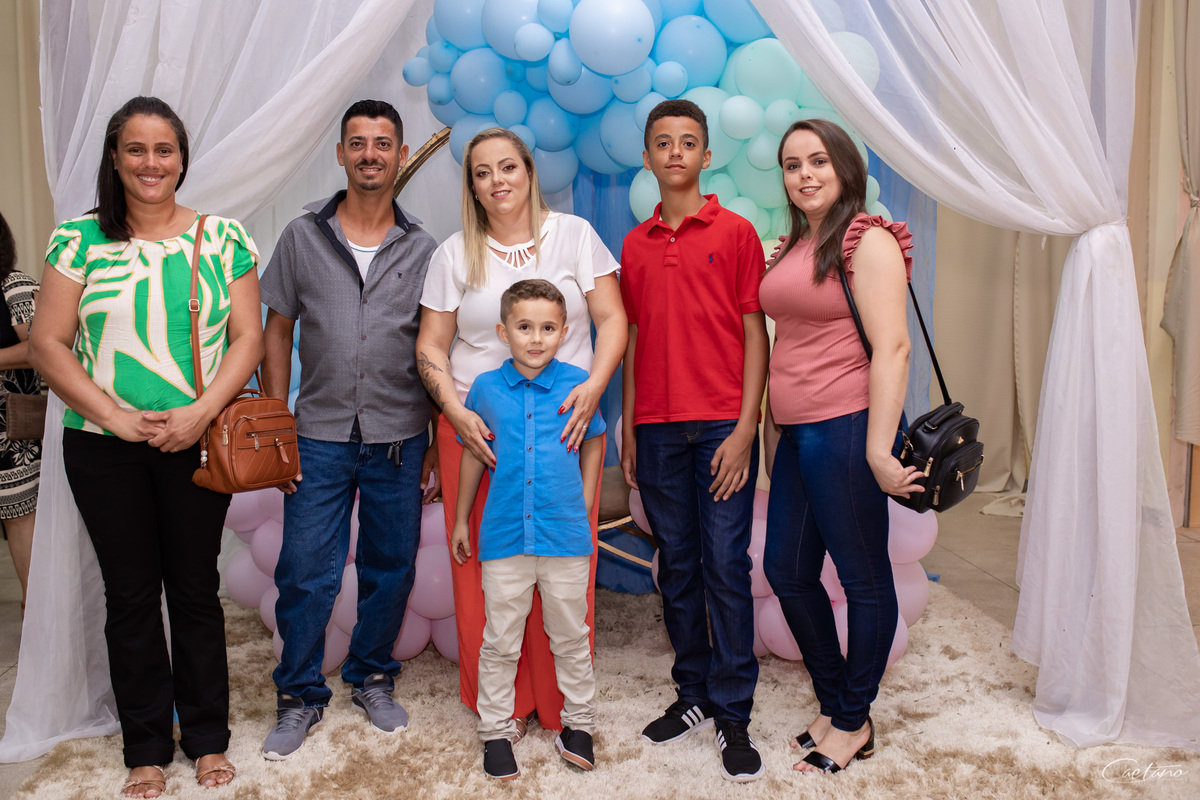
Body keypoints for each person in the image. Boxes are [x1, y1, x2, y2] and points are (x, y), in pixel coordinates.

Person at [29, 96, 261, 797]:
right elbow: (48, 344)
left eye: (164, 150)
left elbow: (248, 339)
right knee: (129, 596)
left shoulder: (223, 238)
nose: (151, 163)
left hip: (198, 439)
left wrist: (200, 413)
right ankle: (147, 747)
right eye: (136, 149)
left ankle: (208, 737)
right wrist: (116, 417)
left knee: (194, 590)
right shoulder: (77, 240)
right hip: (102, 446)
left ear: (182, 159)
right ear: (114, 157)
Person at [416, 127, 626, 737]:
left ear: (530, 172)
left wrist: (594, 387)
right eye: (482, 172)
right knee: (485, 576)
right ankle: (500, 710)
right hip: (478, 433)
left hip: (565, 429)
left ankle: (563, 709)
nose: (497, 180)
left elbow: (614, 319)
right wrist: (454, 412)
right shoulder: (454, 254)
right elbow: (431, 345)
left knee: (563, 572)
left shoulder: (576, 236)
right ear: (471, 186)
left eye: (507, 167)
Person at [258, 99, 439, 760]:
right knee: (306, 570)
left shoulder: (424, 247)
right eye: (357, 143)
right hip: (317, 434)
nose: (369, 154)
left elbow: (435, 346)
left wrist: (435, 441)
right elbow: (276, 326)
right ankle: (299, 695)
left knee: (392, 568)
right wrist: (276, 419)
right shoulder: (302, 237)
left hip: (400, 437)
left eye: (382, 143)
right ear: (340, 154)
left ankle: (372, 676)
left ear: (400, 154)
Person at [760, 118, 921, 775]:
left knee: (863, 579)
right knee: (787, 571)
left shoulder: (867, 238)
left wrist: (880, 450)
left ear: (845, 167)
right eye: (792, 164)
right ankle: (835, 702)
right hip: (798, 432)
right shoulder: (798, 243)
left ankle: (853, 722)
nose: (805, 174)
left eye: (819, 160)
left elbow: (894, 347)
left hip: (847, 426)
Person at [619, 99, 769, 783]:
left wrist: (745, 427)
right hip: (655, 428)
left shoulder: (736, 232)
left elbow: (754, 332)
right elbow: (633, 340)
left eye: (687, 142)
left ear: (706, 156)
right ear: (647, 158)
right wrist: (631, 425)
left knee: (725, 564)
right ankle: (694, 693)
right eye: (662, 142)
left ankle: (734, 709)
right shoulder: (634, 245)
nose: (675, 152)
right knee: (676, 564)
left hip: (720, 427)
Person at [450, 279, 605, 780]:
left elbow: (594, 439)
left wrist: (585, 500)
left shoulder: (579, 383)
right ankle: (495, 731)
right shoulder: (485, 389)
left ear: (564, 332)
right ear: (503, 332)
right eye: (524, 327)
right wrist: (461, 518)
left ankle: (579, 725)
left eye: (547, 328)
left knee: (571, 636)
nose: (536, 339)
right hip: (504, 538)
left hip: (565, 538)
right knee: (500, 640)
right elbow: (475, 454)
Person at [0, 212, 40, 613]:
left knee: (19, 516)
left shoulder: (15, 285)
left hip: (10, 432)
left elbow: (40, 348)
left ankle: (35, 613)